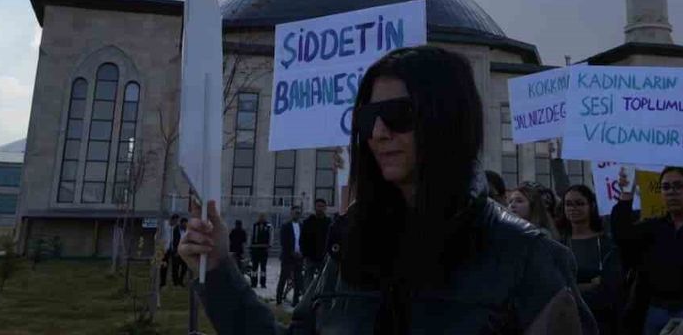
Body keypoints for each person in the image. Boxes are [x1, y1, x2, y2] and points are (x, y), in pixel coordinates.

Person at [180, 45, 596, 334]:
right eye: (367, 118)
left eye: (398, 115)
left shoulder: (525, 258)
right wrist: (217, 268)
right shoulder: (352, 248)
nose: (378, 134)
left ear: (446, 121)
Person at [611, 165, 683, 335]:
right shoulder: (653, 228)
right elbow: (622, 236)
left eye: (679, 186)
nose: (672, 192)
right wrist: (626, 194)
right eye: (666, 187)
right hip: (654, 313)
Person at [561, 184, 622, 334]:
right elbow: (556, 286)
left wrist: (573, 287)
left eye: (579, 203)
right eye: (568, 204)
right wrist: (589, 285)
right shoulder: (558, 245)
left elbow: (609, 287)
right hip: (567, 320)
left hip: (601, 321)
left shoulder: (606, 243)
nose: (573, 208)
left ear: (591, 206)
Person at [300, 198, 333, 293]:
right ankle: (307, 297)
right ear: (315, 207)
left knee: (324, 279)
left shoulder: (329, 222)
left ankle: (321, 296)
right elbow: (302, 239)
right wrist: (304, 254)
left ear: (325, 208)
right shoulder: (308, 222)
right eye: (318, 206)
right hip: (310, 256)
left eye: (322, 206)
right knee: (308, 279)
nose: (320, 208)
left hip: (324, 256)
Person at [276, 205, 304, 306]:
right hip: (288, 257)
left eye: (299, 213)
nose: (298, 214)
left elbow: (303, 241)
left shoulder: (302, 225)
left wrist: (301, 253)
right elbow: (283, 242)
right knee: (283, 278)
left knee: (298, 280)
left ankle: (295, 300)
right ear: (291, 213)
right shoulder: (286, 226)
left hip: (299, 257)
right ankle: (278, 299)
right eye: (296, 212)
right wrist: (291, 252)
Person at [249, 213, 272, 288]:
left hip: (264, 249)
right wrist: (250, 246)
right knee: (254, 268)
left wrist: (269, 245)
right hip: (255, 249)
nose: (261, 218)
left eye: (263, 217)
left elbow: (271, 235)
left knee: (263, 268)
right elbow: (250, 235)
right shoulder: (254, 225)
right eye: (260, 216)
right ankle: (253, 282)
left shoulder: (268, 226)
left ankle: (263, 283)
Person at [172, 217, 189, 286]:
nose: (185, 225)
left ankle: (181, 280)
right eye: (184, 224)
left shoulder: (188, 231)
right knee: (175, 267)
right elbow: (174, 241)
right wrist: (175, 250)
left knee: (184, 267)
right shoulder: (176, 230)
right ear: (181, 224)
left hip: (185, 252)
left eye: (186, 224)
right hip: (177, 251)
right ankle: (175, 282)